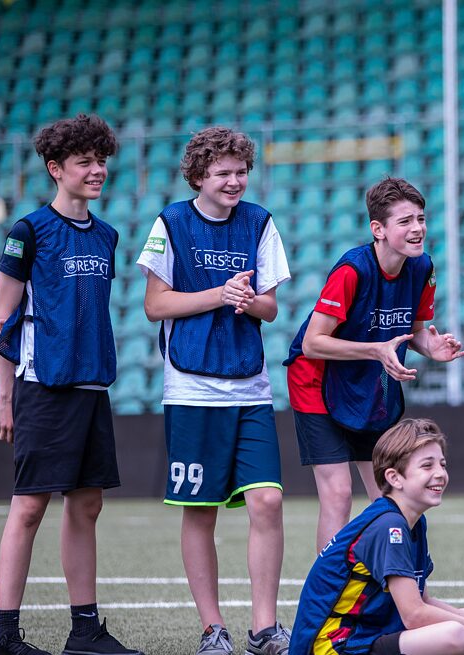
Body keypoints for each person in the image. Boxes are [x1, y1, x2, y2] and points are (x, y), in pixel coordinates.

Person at [136, 126, 292, 655]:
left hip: (251, 387)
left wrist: (249, 302)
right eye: (223, 172)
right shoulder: (171, 222)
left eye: (241, 171)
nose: (234, 181)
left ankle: (264, 629)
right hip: (192, 389)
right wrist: (218, 294)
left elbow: (270, 308)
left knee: (268, 501)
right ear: (198, 176)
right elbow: (155, 305)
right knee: (200, 510)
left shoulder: (260, 222)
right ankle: (212, 628)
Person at [0, 114, 143, 655]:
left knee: (87, 505)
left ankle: (84, 632)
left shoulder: (107, 235)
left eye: (101, 161)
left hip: (92, 388)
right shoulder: (27, 232)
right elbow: (3, 317)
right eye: (84, 162)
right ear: (56, 169)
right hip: (43, 386)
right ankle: (5, 635)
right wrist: (6, 396)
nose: (97, 170)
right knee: (29, 507)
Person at [283, 177, 464, 552]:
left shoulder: (423, 267)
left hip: (368, 386)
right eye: (405, 221)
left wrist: (432, 347)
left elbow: (413, 332)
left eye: (421, 219)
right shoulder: (352, 271)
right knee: (338, 493)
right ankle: (331, 586)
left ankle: (397, 579)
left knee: (389, 492)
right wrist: (376, 351)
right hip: (315, 382)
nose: (417, 229)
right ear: (378, 229)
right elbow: (312, 343)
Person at [289, 417, 464, 655]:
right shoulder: (388, 525)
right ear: (394, 478)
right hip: (334, 646)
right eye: (427, 466)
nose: (440, 473)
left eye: (442, 464)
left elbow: (423, 601)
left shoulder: (413, 521)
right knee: (458, 635)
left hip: (367, 635)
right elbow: (414, 615)